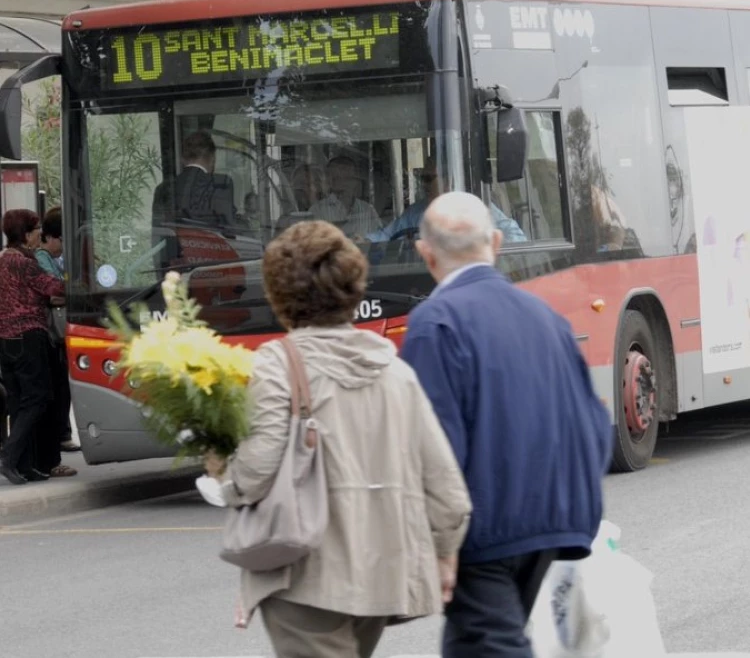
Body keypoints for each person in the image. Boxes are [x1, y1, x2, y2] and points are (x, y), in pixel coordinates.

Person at [205, 220, 471, 657]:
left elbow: (254, 472)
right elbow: (447, 490)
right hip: (380, 575)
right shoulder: (395, 371)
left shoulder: (277, 365)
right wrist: (444, 554)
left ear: (278, 293)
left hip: (306, 574)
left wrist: (221, 472)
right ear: (354, 287)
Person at [399, 192, 612, 658]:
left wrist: (439, 544)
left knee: (487, 645)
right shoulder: (546, 317)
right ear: (496, 243)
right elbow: (594, 420)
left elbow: (432, 447)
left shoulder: (434, 322)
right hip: (553, 517)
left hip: (485, 527)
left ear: (425, 252)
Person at [0, 209, 67, 485]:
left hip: (5, 341)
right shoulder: (24, 264)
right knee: (38, 398)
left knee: (18, 402)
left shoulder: (3, 259)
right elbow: (53, 288)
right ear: (26, 234)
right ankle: (8, 457)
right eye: (36, 229)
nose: (40, 233)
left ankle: (24, 466)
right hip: (28, 337)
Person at [367, 165, 526, 244]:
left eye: (429, 179)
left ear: (447, 181)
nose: (424, 184)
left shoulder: (472, 205)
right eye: (422, 179)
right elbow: (387, 235)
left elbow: (516, 238)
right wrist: (365, 241)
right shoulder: (417, 211)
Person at [35, 207, 81, 461]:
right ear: (51, 237)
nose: (63, 246)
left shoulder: (58, 258)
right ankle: (60, 435)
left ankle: (63, 432)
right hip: (49, 332)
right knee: (57, 385)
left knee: (63, 384)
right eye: (62, 241)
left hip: (60, 330)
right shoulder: (42, 258)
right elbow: (53, 292)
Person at [152, 131, 237, 229]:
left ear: (182, 159)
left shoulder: (162, 188)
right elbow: (229, 230)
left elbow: (158, 233)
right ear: (213, 158)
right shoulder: (221, 184)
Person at [309, 156, 382, 238]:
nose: (343, 184)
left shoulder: (368, 210)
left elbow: (380, 240)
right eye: (337, 179)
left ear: (355, 181)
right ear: (329, 182)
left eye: (347, 178)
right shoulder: (317, 211)